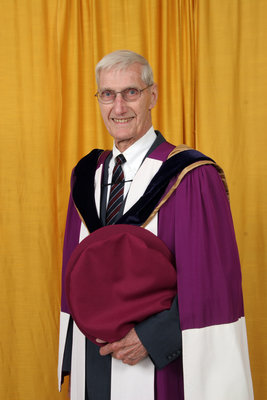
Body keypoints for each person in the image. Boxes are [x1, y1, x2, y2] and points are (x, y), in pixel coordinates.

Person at [58, 50, 254, 400]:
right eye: (108, 94)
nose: (119, 107)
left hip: (162, 365)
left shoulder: (191, 176)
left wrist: (152, 338)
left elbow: (211, 280)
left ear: (153, 95)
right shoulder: (86, 176)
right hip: (94, 358)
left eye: (131, 92)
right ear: (99, 99)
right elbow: (75, 274)